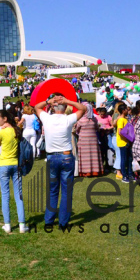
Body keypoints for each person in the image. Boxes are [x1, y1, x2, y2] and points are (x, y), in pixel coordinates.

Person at [34, 95, 87, 230]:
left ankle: (49, 220)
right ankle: (63, 222)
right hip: (66, 156)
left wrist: (48, 101)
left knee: (53, 190)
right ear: (65, 108)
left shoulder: (47, 118)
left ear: (53, 107)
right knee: (66, 191)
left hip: (52, 157)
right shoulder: (68, 119)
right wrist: (68, 101)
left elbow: (36, 107)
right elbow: (83, 108)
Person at [0, 109, 28, 233]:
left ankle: (7, 224)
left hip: (3, 164)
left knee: (5, 195)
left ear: (5, 119)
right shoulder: (16, 130)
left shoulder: (2, 132)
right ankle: (22, 225)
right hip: (16, 164)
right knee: (18, 195)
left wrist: (2, 130)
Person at [74, 102, 103, 177]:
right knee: (94, 155)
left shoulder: (81, 120)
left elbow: (77, 130)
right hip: (93, 140)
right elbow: (97, 128)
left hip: (83, 140)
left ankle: (85, 172)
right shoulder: (94, 119)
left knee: (85, 156)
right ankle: (95, 171)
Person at [115, 104, 133, 183]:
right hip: (123, 142)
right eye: (126, 109)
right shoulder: (121, 120)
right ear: (123, 111)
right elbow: (120, 131)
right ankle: (124, 176)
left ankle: (130, 174)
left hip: (127, 142)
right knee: (124, 159)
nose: (127, 111)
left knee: (129, 158)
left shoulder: (126, 119)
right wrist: (128, 138)